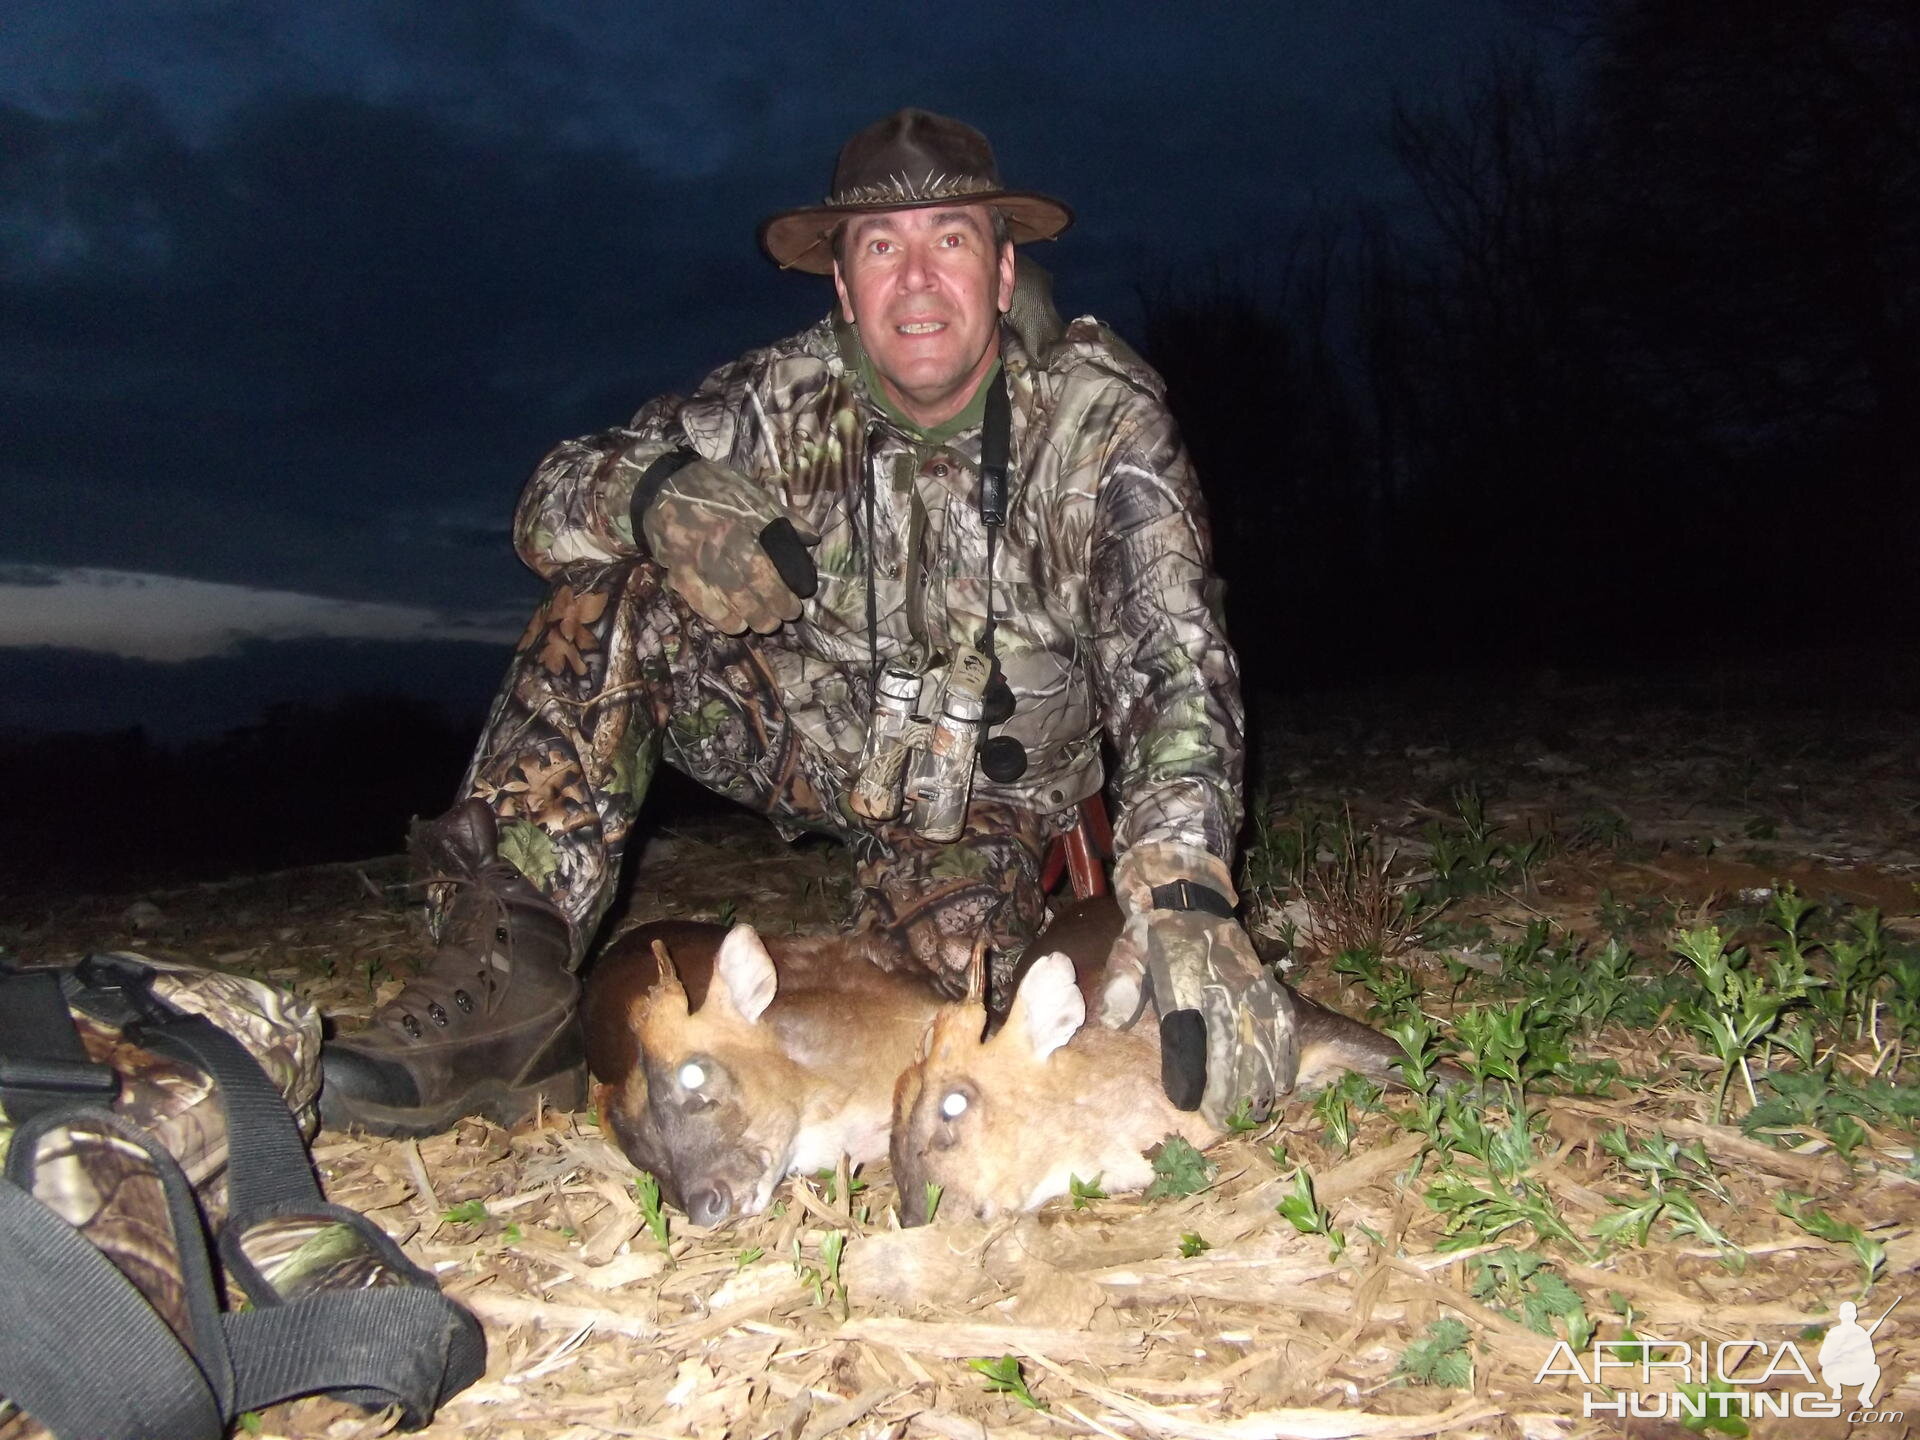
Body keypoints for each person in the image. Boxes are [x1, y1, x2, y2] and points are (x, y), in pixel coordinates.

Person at [320, 108, 1292, 1139]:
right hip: (807, 739)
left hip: (983, 803)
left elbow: (1173, 658)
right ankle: (507, 986)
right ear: (842, 285)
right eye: (882, 247)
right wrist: (652, 496)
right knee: (610, 583)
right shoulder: (773, 403)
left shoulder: (1101, 423)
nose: (916, 278)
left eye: (950, 239)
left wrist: (1183, 892)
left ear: (1003, 275)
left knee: (940, 1034)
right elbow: (548, 500)